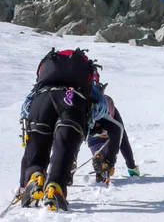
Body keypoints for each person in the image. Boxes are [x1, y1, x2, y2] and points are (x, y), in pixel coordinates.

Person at [19, 48, 107, 211]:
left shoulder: (44, 81)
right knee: (64, 147)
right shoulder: (85, 81)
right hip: (73, 101)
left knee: (37, 146)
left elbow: (25, 107)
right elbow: (101, 107)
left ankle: (33, 178)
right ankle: (55, 187)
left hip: (41, 101)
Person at [86, 94, 140, 182]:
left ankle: (71, 163)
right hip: (109, 135)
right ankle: (107, 163)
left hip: (92, 138)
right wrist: (131, 166)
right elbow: (123, 140)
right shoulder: (109, 108)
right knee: (115, 134)